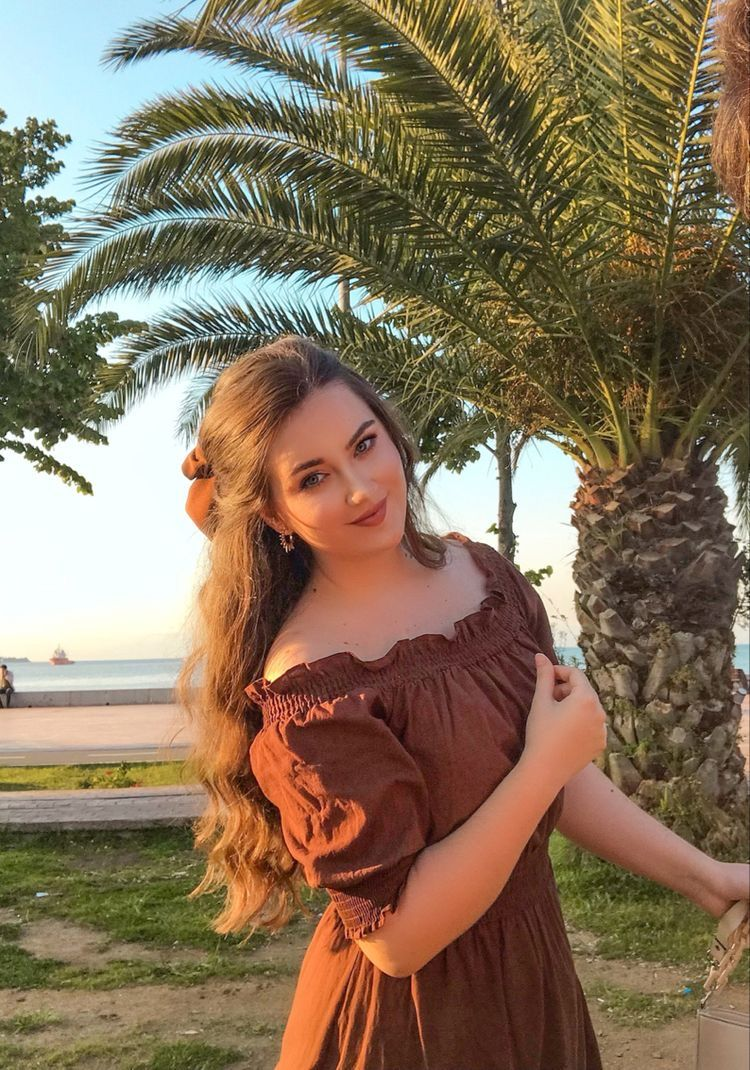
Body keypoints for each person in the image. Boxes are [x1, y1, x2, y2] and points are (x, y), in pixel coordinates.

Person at [177, 335, 749, 1070]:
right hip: (412, 1027)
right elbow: (396, 939)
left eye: (365, 444)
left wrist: (711, 879)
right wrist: (545, 764)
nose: (361, 488)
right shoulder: (312, 682)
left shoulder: (485, 581)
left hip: (532, 980)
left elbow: (557, 780)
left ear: (392, 433)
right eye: (313, 477)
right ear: (274, 512)